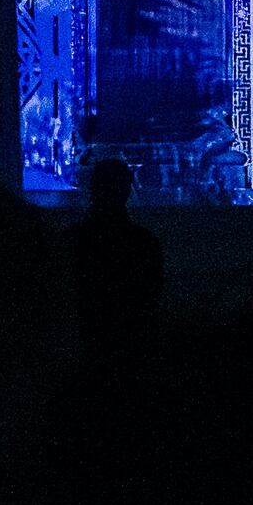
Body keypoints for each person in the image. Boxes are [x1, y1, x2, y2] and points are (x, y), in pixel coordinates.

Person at [70, 151, 165, 373]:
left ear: (92, 190)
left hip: (83, 356)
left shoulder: (70, 241)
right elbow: (150, 301)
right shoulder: (145, 243)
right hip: (134, 356)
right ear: (126, 190)